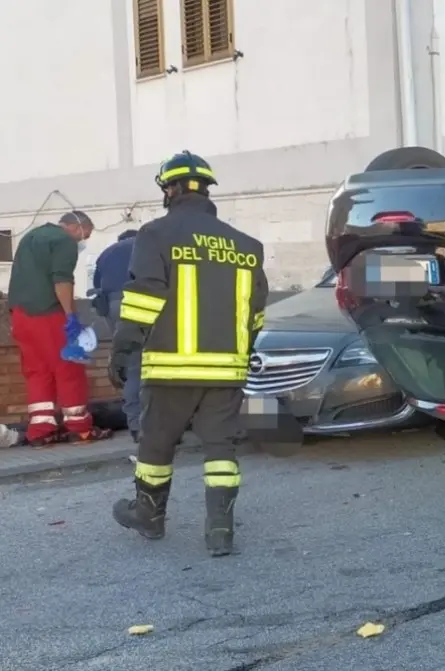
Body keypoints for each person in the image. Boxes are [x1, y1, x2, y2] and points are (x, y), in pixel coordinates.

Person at [108, 151, 268, 557]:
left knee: (157, 444)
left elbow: (145, 293)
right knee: (220, 449)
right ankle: (220, 531)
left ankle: (149, 516)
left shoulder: (156, 234)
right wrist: (240, 355)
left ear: (171, 189)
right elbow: (256, 313)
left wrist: (124, 347)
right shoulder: (247, 246)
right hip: (227, 371)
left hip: (171, 368)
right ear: (206, 189)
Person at [7, 211, 113, 445]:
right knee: (69, 368)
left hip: (21, 315)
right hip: (49, 313)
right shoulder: (64, 241)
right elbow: (62, 281)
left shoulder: (31, 237)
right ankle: (79, 428)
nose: (83, 240)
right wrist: (71, 316)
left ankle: (41, 431)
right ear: (77, 227)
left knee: (38, 371)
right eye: (86, 234)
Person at [93, 229, 142, 441]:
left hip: (115, 306)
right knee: (153, 364)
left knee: (132, 364)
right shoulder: (147, 247)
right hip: (144, 303)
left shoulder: (107, 252)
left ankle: (136, 425)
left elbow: (97, 286)